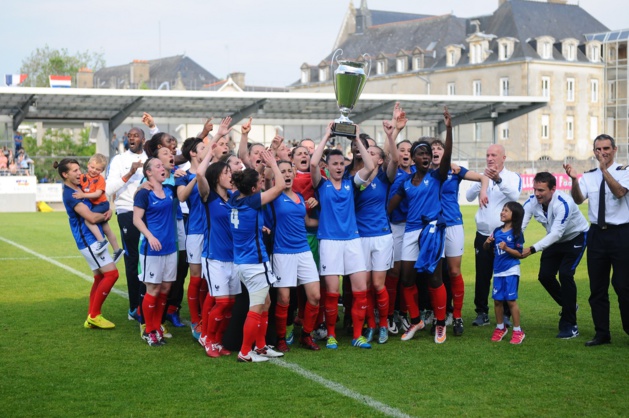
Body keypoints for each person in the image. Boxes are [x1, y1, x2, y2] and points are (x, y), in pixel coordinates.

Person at [388, 107, 453, 344]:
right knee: (406, 279)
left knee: (435, 279)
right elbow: (389, 208)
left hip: (432, 231)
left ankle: (439, 323)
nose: (427, 156)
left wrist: (448, 129)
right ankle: (416, 320)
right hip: (410, 231)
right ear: (414, 159)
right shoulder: (405, 182)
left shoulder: (436, 176)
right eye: (421, 153)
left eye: (428, 153)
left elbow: (445, 159)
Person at [311, 122, 376, 350]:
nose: (339, 167)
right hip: (329, 242)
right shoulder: (322, 185)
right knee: (332, 292)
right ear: (327, 167)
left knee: (360, 289)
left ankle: (358, 336)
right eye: (334, 164)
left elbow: (369, 165)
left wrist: (357, 138)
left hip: (352, 241)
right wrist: (327, 135)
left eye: (341, 163)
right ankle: (331, 335)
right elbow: (312, 162)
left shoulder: (351, 183)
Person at [564, 134, 629, 347]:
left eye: (606, 148)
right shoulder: (589, 175)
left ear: (615, 149)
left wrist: (604, 170)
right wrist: (574, 180)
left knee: (623, 285)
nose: (603, 152)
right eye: (599, 149)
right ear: (594, 152)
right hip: (597, 235)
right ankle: (602, 333)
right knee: (597, 288)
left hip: (621, 234)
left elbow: (619, 192)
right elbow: (578, 199)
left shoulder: (625, 171)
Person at [229, 150, 286, 363]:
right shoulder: (252, 201)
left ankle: (260, 346)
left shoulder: (235, 197)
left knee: (266, 302)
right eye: (260, 182)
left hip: (243, 261)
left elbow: (249, 182)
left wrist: (260, 168)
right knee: (256, 307)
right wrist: (274, 163)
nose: (263, 182)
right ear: (253, 189)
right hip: (254, 262)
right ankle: (245, 352)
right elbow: (280, 187)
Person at [521, 172, 589, 339]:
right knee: (545, 276)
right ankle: (569, 305)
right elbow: (520, 224)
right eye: (535, 189)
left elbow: (557, 234)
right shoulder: (531, 202)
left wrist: (531, 249)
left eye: (541, 190)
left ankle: (570, 325)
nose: (537, 193)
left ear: (553, 189)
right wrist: (511, 242)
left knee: (566, 274)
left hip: (576, 237)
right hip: (555, 239)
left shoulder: (564, 203)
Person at [55, 158, 119, 329]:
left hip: (90, 239)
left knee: (99, 277)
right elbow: (90, 217)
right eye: (74, 171)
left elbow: (98, 198)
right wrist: (106, 214)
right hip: (88, 240)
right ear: (65, 174)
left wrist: (106, 209)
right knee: (112, 275)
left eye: (78, 169)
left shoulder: (79, 187)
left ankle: (91, 315)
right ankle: (94, 315)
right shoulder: (70, 195)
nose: (79, 173)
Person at [266, 160, 321, 352]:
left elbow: (307, 221)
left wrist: (323, 213)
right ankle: (280, 338)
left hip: (304, 251)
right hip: (282, 253)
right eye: (282, 172)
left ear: (295, 173)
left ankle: (306, 335)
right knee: (284, 300)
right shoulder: (273, 196)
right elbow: (266, 180)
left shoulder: (299, 197)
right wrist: (272, 164)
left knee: (315, 296)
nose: (287, 175)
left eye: (290, 171)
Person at [466, 144, 521, 327]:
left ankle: (505, 313)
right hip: (482, 235)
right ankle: (481, 312)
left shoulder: (512, 177)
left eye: (494, 155)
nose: (490, 158)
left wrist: (497, 179)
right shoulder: (483, 177)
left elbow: (514, 195)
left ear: (503, 158)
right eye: (488, 155)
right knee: (482, 275)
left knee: (503, 273)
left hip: (503, 237)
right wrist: (483, 180)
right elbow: (468, 196)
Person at [197, 150, 239, 357]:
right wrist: (213, 144)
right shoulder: (209, 196)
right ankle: (208, 339)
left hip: (234, 257)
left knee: (230, 303)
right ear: (216, 177)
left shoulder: (234, 197)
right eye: (226, 172)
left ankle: (217, 340)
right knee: (221, 302)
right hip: (214, 256)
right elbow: (199, 175)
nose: (231, 175)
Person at [133, 158, 178, 346]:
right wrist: (150, 236)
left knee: (165, 289)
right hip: (152, 249)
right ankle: (149, 329)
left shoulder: (169, 189)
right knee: (153, 289)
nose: (162, 168)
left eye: (163, 165)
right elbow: (137, 219)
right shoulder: (144, 193)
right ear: (148, 172)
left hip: (170, 247)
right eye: (158, 166)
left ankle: (157, 326)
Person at [105, 127, 148, 321]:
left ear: (143, 139)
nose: (132, 138)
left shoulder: (151, 157)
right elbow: (109, 188)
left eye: (135, 135)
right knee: (133, 259)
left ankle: (150, 304)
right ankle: (134, 307)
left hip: (151, 212)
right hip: (127, 211)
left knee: (151, 258)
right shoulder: (119, 160)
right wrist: (130, 173)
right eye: (129, 136)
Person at [483, 202, 526, 344]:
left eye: (506, 210)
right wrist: (487, 242)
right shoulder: (496, 231)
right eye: (502, 210)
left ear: (515, 215)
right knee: (497, 301)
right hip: (498, 271)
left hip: (511, 270)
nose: (502, 212)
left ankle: (518, 331)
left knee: (511, 301)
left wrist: (507, 248)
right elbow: (485, 248)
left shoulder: (517, 233)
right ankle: (500, 327)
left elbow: (519, 254)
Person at [72, 153, 124, 263]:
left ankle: (101, 241)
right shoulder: (83, 177)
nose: (94, 170)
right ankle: (117, 250)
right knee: (106, 228)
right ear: (88, 165)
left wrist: (83, 195)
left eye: (98, 169)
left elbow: (97, 194)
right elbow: (75, 182)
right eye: (92, 167)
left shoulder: (100, 179)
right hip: (97, 206)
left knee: (89, 220)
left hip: (101, 205)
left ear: (102, 170)